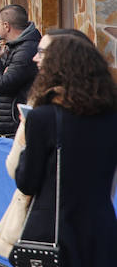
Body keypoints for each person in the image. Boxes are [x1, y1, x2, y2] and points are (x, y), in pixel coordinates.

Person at [12, 32, 117, 266]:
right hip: (101, 230)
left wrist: (25, 140)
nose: (34, 60)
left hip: (56, 232)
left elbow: (27, 181)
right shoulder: (110, 116)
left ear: (57, 66)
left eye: (41, 54)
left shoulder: (44, 117)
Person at [0, 4, 41, 137]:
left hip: (18, 127)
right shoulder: (14, 47)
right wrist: (0, 74)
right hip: (11, 127)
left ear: (6, 26)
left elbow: (1, 86)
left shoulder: (26, 50)